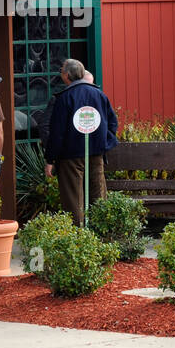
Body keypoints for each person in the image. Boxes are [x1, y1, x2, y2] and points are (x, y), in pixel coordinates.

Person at [43, 58, 118, 226]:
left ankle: (77, 237)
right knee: (98, 194)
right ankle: (101, 234)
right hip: (96, 153)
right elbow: (113, 122)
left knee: (73, 199)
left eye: (62, 70)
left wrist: (50, 159)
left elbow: (57, 132)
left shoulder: (64, 97)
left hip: (70, 156)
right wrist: (104, 143)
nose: (61, 73)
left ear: (67, 75)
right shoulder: (99, 94)